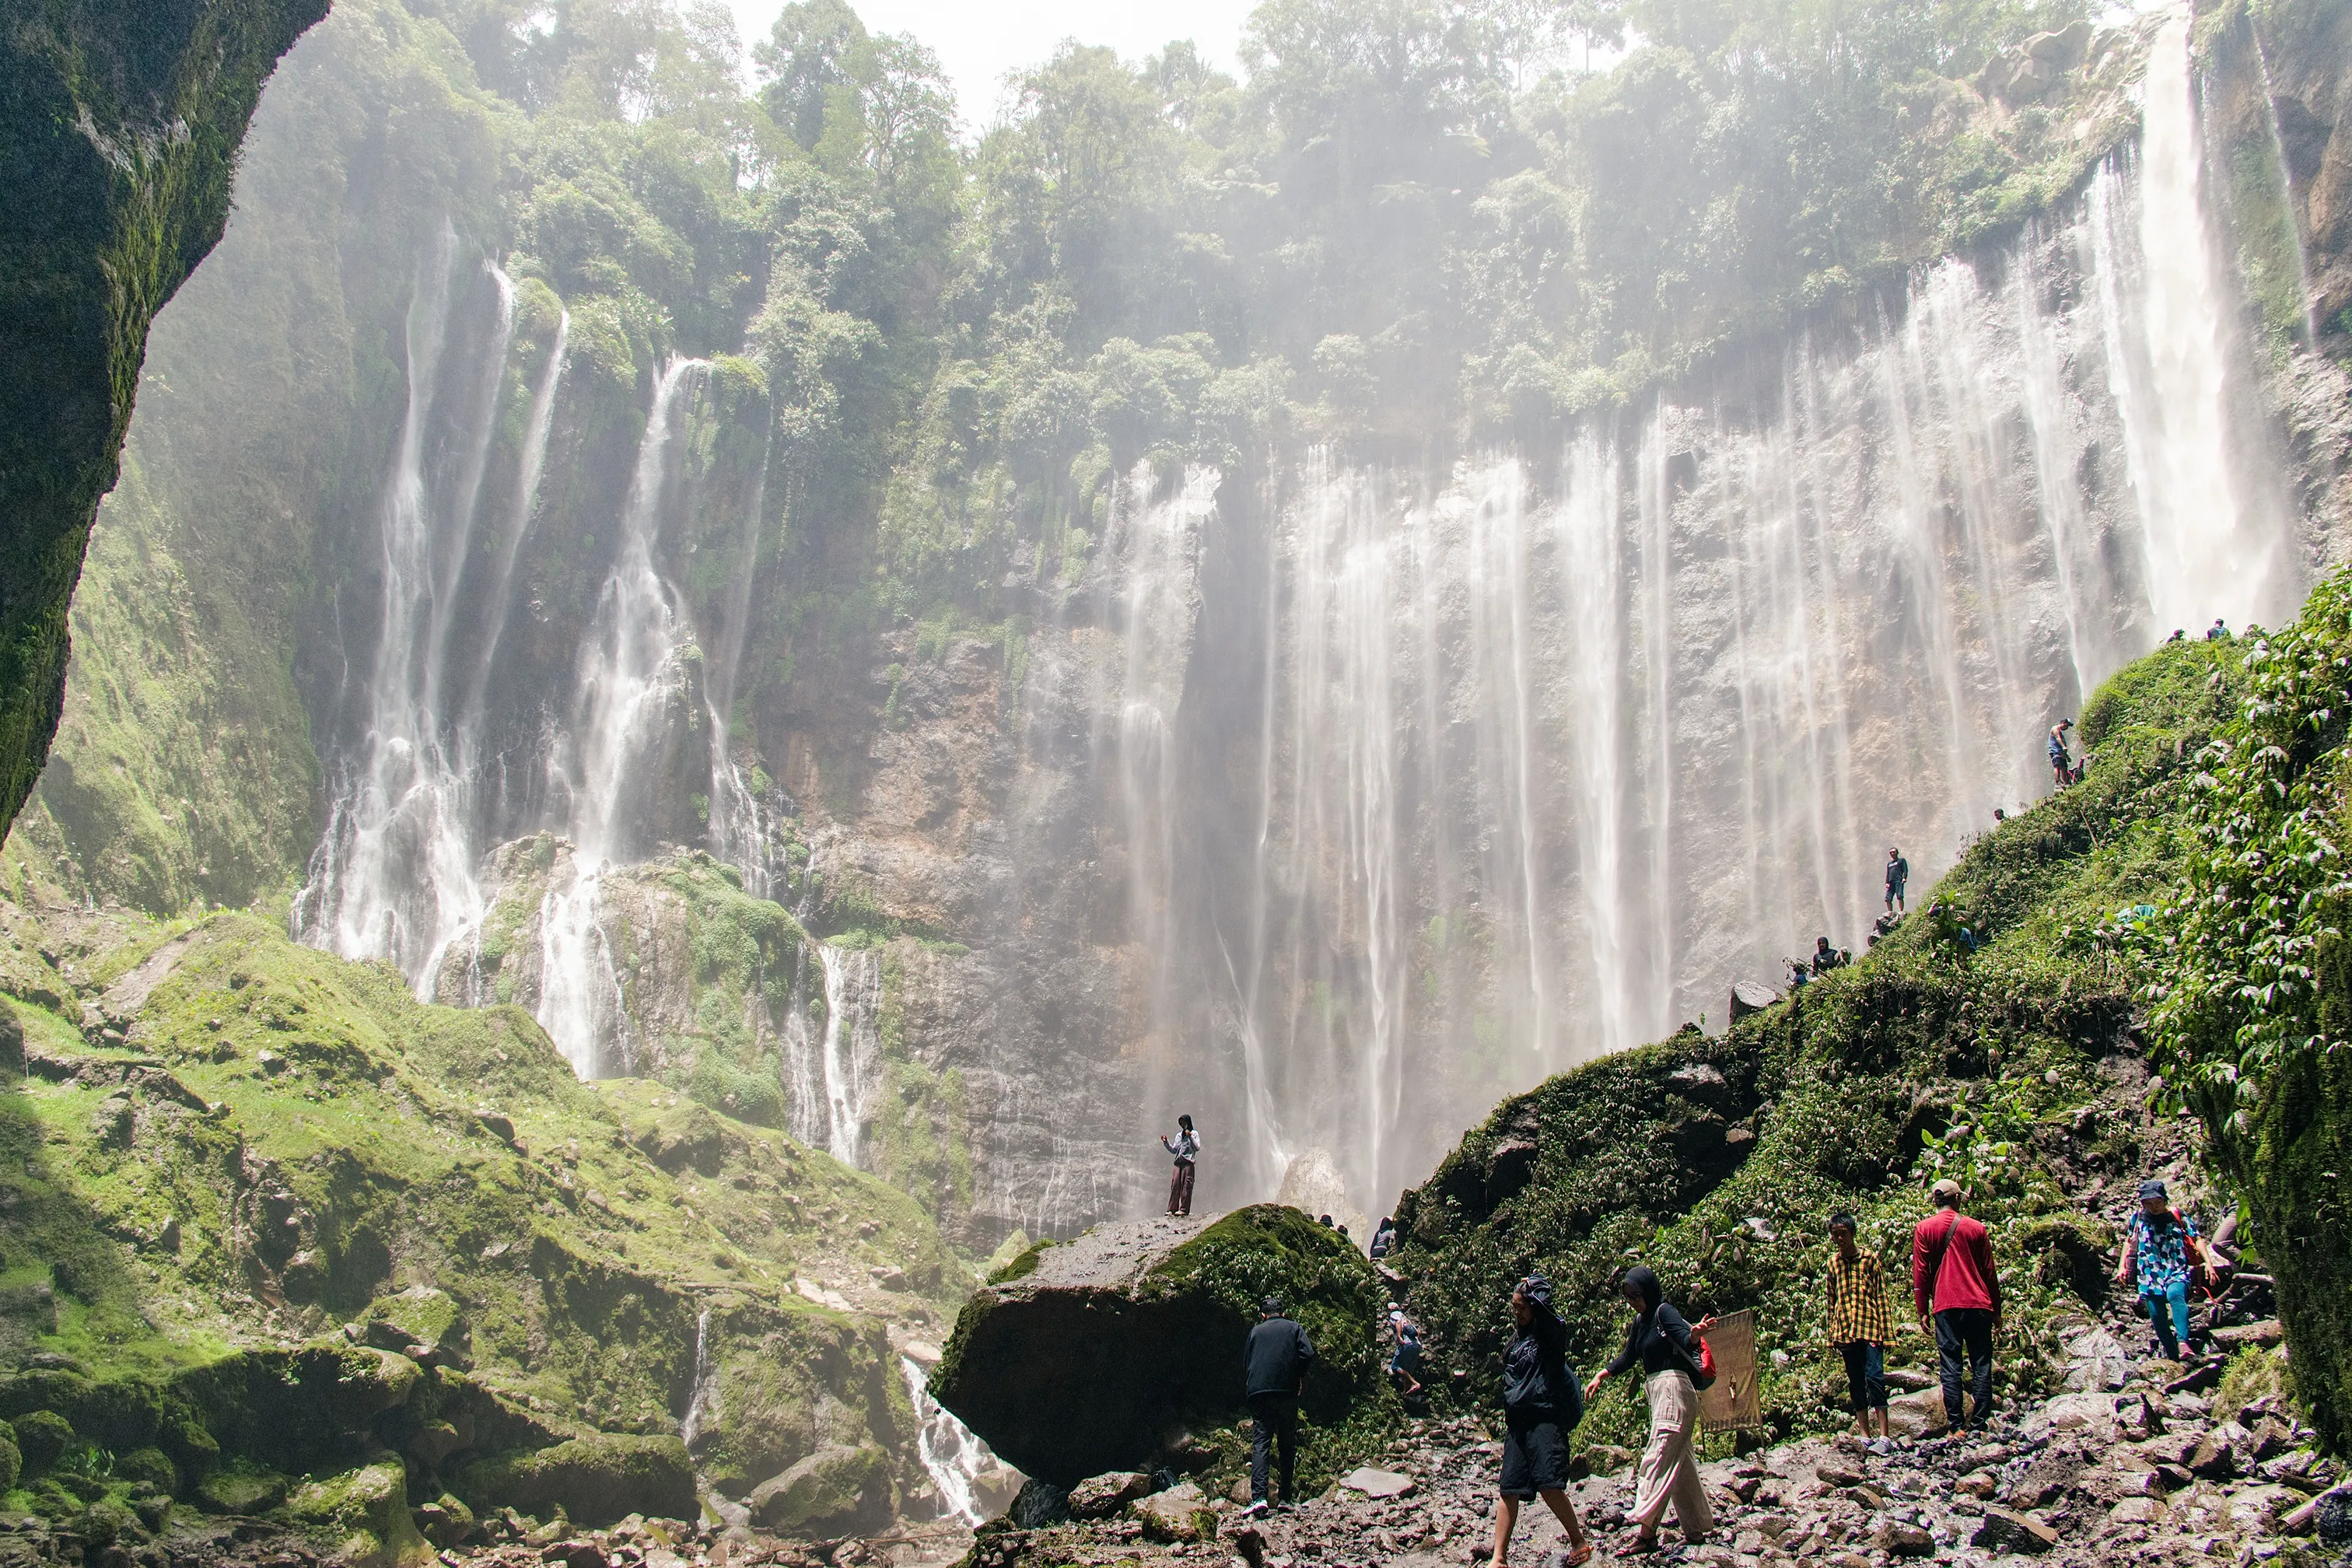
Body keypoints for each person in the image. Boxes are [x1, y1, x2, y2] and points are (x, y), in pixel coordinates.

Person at [1585, 1266, 1713, 1555]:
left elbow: (1685, 1338)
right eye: (1628, 1297)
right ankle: (1696, 1529)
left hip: (1674, 1387)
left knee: (1659, 1452)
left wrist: (1695, 1335)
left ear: (1649, 1291)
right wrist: (1603, 1374)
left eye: (1637, 1295)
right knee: (1680, 1463)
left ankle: (1644, 1527)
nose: (1633, 1301)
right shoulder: (1641, 1322)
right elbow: (1630, 1355)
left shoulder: (1664, 1312)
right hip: (1657, 1391)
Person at [1493, 1277, 1592, 1567]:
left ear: (1536, 1307)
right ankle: (1499, 1558)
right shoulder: (1515, 1342)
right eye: (1514, 1307)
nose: (1518, 1313)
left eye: (1522, 1307)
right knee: (1509, 1488)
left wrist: (1532, 1288)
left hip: (1545, 1419)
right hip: (1518, 1424)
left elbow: (1551, 1319)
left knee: (1549, 1484)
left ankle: (1579, 1542)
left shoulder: (1548, 1338)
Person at [1912, 1178, 2001, 1433]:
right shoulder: (1976, 1228)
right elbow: (1989, 1272)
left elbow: (1921, 1273)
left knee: (1951, 1365)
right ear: (1958, 1199)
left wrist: (1922, 1310)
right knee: (1981, 1364)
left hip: (1946, 1305)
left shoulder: (1924, 1228)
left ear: (1935, 1201)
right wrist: (1997, 1311)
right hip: (1979, 1304)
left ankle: (1957, 1426)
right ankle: (1980, 1425)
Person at [2115, 1178, 2202, 1363]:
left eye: (2157, 1202)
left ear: (2165, 1199)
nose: (2153, 1207)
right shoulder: (2138, 1218)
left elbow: (2196, 1238)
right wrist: (2122, 1266)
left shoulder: (2178, 1216)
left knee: (2175, 1295)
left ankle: (2183, 1342)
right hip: (2149, 1273)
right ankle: (2173, 1358)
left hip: (2176, 1268)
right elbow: (2129, 1242)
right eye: (2148, 1203)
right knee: (2156, 1315)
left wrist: (2208, 1263)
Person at [1825, 1213, 1893, 1443]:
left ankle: (1884, 1436)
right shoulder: (1833, 1263)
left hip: (1870, 1328)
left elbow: (1881, 1296)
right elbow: (1831, 1301)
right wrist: (1831, 1335)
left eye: (1844, 1233)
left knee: (1875, 1379)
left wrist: (1887, 1334)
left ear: (1853, 1233)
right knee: (1855, 1383)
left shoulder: (1869, 1259)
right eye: (1835, 1234)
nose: (1840, 1238)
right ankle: (1865, 1435)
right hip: (1845, 1331)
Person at [1243, 1297, 1314, 1515]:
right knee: (1286, 1444)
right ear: (1283, 1314)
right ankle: (1285, 1498)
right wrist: (1298, 1374)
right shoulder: (1294, 1328)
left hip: (1259, 1392)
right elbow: (1308, 1353)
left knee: (1261, 1443)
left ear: (1263, 1315)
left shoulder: (1255, 1331)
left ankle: (1259, 1498)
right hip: (1286, 1392)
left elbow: (1247, 1361)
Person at [1160, 1115, 1199, 1216]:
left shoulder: (1194, 1133)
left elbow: (1197, 1147)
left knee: (1187, 1185)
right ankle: (1172, 1209)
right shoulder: (1179, 1135)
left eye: (1184, 1122)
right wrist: (1166, 1142)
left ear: (1188, 1122)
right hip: (1178, 1163)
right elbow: (1174, 1150)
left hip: (1188, 1163)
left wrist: (1190, 1137)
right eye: (1181, 1123)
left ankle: (1184, 1209)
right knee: (1175, 1185)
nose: (1182, 1124)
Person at [1388, 1310, 1426, 1401]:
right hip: (1416, 1345)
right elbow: (1418, 1333)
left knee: (1395, 1367)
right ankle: (1406, 1394)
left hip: (1406, 1344)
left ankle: (1414, 1383)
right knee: (1407, 1371)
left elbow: (1398, 1322)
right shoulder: (1406, 1320)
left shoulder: (1395, 1314)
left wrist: (1399, 1337)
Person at [2049, 719, 2074, 789]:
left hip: (2061, 753)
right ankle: (2058, 782)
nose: (2067, 728)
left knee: (2064, 768)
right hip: (2055, 752)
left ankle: (2067, 783)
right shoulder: (2055, 728)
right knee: (2057, 766)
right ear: (2064, 723)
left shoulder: (2060, 732)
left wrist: (2067, 756)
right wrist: (2063, 746)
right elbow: (2057, 738)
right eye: (2067, 726)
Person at [1884, 848, 1909, 915]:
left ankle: (1901, 911)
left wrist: (1904, 877)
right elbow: (1888, 873)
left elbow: (1905, 869)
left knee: (1900, 896)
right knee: (1887, 898)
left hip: (1898, 880)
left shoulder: (1901, 860)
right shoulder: (1889, 863)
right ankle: (1890, 912)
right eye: (1891, 853)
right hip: (1891, 882)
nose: (1892, 853)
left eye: (1893, 852)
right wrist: (1887, 882)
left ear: (1897, 853)